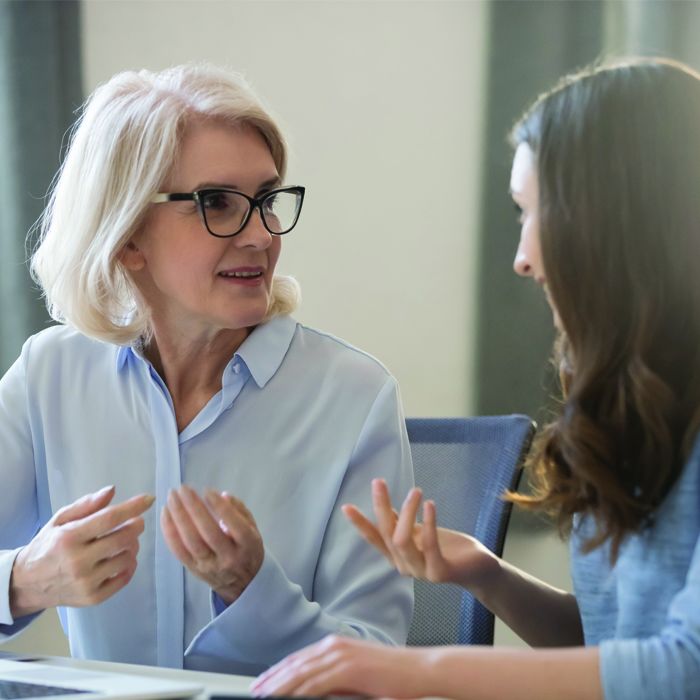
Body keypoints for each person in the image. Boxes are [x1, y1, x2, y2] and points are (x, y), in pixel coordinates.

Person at [251, 57, 700, 699]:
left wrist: (410, 667)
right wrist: (489, 576)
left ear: (610, 223)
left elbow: (683, 671)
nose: (522, 257)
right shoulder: (646, 398)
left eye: (531, 212)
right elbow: (612, 652)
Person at [0, 64, 413, 675]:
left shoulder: (356, 396)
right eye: (217, 203)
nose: (260, 235)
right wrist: (25, 580)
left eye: (267, 200)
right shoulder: (50, 374)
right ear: (127, 235)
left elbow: (377, 660)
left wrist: (253, 593)